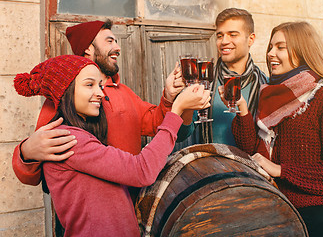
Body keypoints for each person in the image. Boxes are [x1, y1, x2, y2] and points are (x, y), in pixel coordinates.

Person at [13, 55, 210, 237]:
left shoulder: (87, 126)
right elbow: (142, 170)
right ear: (65, 90)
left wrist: (169, 98)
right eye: (89, 85)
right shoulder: (69, 138)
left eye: (100, 85)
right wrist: (177, 110)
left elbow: (152, 120)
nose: (100, 93)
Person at [12, 19, 190, 186]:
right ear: (88, 48)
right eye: (110, 41)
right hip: (86, 211)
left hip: (132, 199)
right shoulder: (63, 100)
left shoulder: (124, 91)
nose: (118, 47)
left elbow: (155, 123)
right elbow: (33, 172)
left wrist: (168, 96)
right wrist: (25, 152)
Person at [231, 21, 323, 237]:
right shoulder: (271, 95)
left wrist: (281, 170)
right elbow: (252, 151)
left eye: (281, 47)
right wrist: (242, 110)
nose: (271, 53)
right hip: (276, 217)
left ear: (303, 51)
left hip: (319, 223)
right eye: (271, 47)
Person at [175, 8, 267, 150]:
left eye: (233, 35)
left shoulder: (264, 85)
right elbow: (181, 135)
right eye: (220, 36)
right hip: (208, 167)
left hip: (249, 169)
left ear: (251, 39)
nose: (224, 41)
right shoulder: (204, 81)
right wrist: (186, 104)